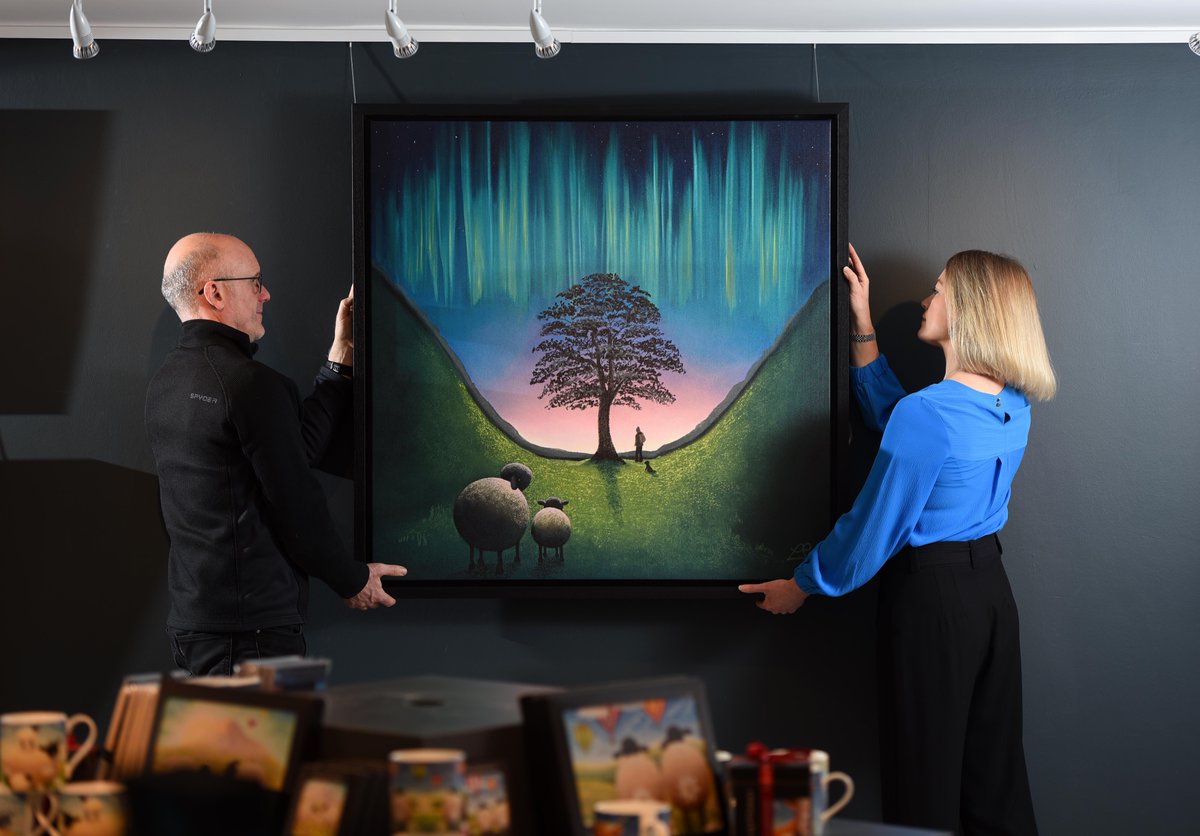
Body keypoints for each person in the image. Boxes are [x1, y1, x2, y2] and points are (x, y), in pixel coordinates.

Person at [739, 243, 1055, 836]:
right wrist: (863, 325)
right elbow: (907, 427)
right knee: (995, 783)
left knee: (923, 789)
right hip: (991, 596)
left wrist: (802, 584)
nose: (928, 298)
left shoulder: (929, 416)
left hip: (934, 602)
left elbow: (871, 527)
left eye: (939, 289)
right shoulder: (1012, 404)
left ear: (967, 309)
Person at [146, 232, 407, 677]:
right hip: (251, 637)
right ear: (215, 292)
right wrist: (353, 580)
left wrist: (339, 356)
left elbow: (295, 449)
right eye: (255, 282)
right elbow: (297, 503)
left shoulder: (167, 382)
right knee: (255, 750)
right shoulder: (249, 384)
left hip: (197, 625)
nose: (265, 293)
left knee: (213, 749)